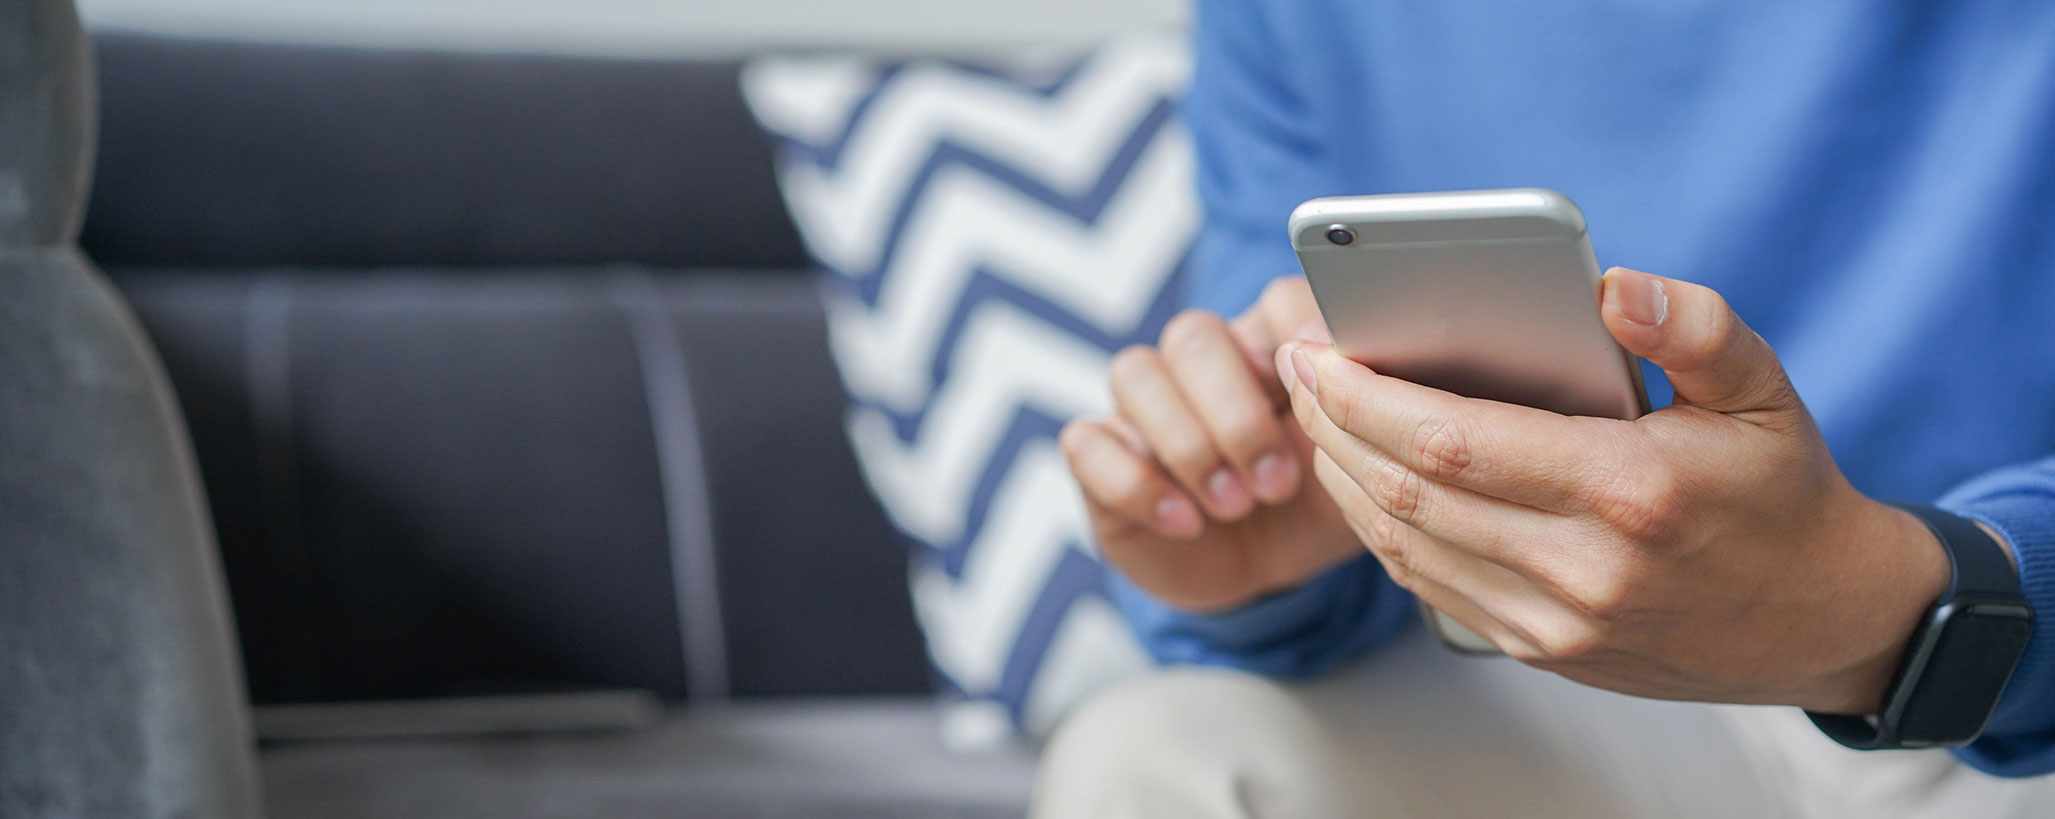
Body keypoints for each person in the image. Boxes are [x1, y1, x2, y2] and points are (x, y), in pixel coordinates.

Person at [1036, 2, 2055, 817]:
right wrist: (1267, 549)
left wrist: (1895, 609)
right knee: (1153, 763)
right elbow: (1275, 371)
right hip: (1602, 705)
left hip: (2013, 686)